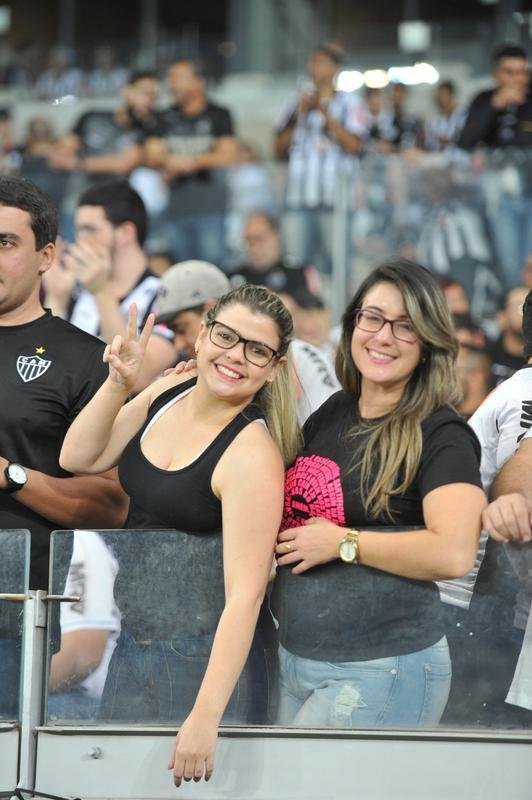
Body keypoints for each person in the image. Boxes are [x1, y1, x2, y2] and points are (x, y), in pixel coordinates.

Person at [60, 284, 300, 785]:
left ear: (274, 367)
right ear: (203, 333)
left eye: (256, 350)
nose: (235, 356)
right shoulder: (170, 391)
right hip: (135, 641)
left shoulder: (251, 454)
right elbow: (77, 458)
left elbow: (246, 596)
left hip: (203, 660)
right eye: (226, 337)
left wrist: (204, 717)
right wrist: (118, 383)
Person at [271, 258, 485, 728]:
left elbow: (453, 552)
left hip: (381, 667)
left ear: (428, 342)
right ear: (352, 325)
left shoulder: (442, 433)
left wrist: (346, 543)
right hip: (297, 657)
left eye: (405, 326)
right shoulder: (335, 410)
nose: (383, 336)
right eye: (372, 317)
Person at [0, 175, 127, 715]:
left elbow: (110, 503)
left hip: (14, 619)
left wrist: (10, 475)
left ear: (47, 255)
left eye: (5, 243)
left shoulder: (84, 362)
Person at [43, 180, 175, 388]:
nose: (80, 242)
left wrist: (102, 292)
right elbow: (45, 365)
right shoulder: (76, 291)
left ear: (125, 233)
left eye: (89, 230)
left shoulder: (164, 295)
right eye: (78, 231)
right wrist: (57, 298)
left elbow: (137, 377)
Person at [275, 44, 366, 275]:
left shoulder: (350, 103)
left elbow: (354, 145)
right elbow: (278, 148)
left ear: (335, 68)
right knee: (295, 265)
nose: (313, 67)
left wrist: (322, 111)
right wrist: (300, 114)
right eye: (311, 62)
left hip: (334, 200)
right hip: (298, 199)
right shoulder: (295, 104)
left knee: (337, 265)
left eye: (320, 62)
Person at [145, 58, 238, 265]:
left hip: (211, 210)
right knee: (179, 271)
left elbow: (228, 154)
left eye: (179, 78)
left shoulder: (219, 115)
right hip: (175, 210)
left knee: (213, 270)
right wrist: (172, 160)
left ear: (199, 82)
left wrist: (188, 162)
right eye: (171, 78)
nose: (172, 83)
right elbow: (151, 154)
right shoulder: (164, 117)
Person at [458, 43, 532, 288]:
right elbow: (466, 140)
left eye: (522, 72)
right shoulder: (484, 100)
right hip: (498, 198)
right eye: (510, 72)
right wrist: (496, 104)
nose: (517, 79)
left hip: (530, 192)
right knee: (510, 266)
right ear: (496, 73)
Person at [230, 212, 321, 297]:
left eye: (259, 239)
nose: (253, 247)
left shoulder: (299, 273)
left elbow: (321, 311)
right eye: (249, 240)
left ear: (276, 237)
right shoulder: (234, 276)